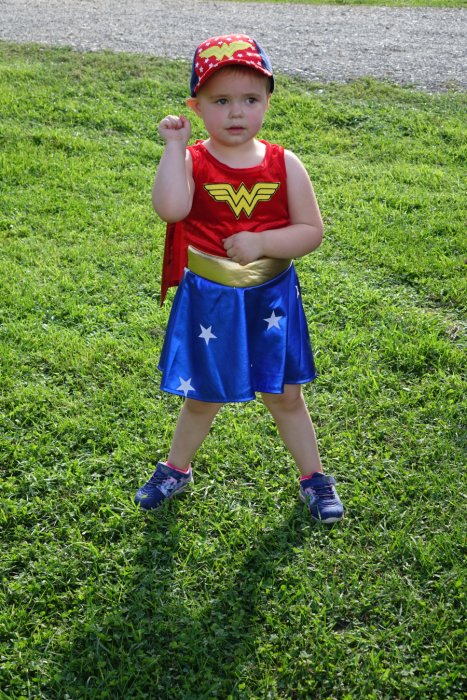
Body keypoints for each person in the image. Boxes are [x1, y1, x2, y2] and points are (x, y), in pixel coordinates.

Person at [135, 34, 344, 523]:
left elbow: (311, 232)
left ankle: (314, 477)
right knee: (202, 395)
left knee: (285, 393)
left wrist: (263, 243)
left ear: (268, 102)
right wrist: (173, 148)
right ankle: (175, 468)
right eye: (221, 101)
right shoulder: (194, 161)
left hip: (270, 297)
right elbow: (170, 209)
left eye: (250, 100)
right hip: (211, 297)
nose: (236, 113)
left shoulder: (283, 163)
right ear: (196, 106)